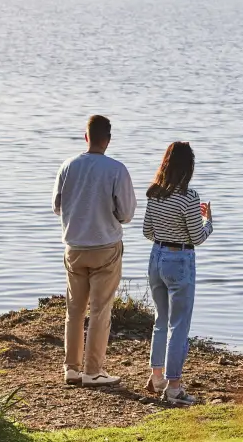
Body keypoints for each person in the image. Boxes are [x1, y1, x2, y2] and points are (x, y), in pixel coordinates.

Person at [51, 114, 136, 386]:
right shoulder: (116, 170)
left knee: (74, 310)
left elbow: (56, 206)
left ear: (86, 137)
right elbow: (126, 214)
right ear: (108, 140)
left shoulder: (67, 166)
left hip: (73, 248)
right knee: (100, 310)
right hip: (105, 248)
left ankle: (72, 368)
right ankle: (93, 371)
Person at [141, 141, 211, 406]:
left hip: (156, 256)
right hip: (179, 259)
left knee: (161, 320)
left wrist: (164, 231)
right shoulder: (189, 197)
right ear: (188, 167)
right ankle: (173, 387)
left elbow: (147, 231)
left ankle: (156, 376)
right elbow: (198, 237)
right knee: (179, 325)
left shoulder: (154, 193)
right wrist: (209, 221)